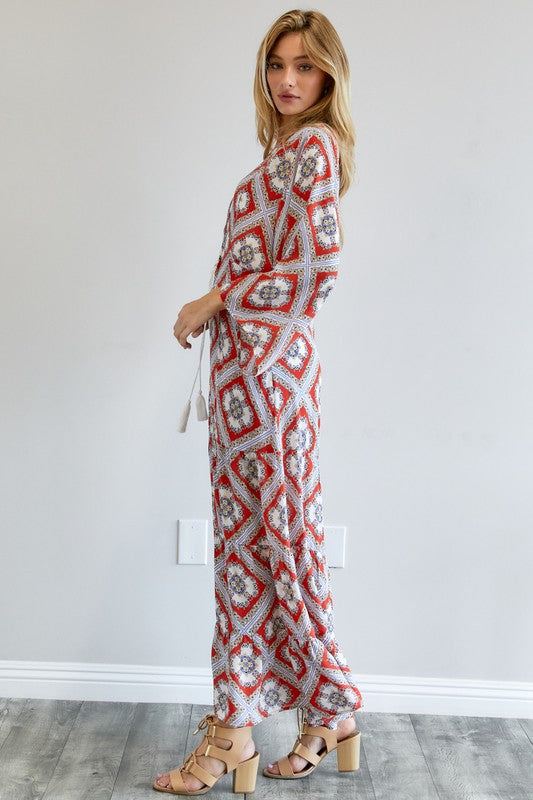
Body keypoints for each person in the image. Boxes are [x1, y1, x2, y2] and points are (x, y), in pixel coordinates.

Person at [154, 8, 362, 795]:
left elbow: (318, 272)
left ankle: (236, 727)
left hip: (271, 386)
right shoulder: (280, 153)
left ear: (328, 77)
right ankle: (323, 713)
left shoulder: (311, 148)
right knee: (263, 549)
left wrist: (212, 300)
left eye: (304, 67)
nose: (286, 80)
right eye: (277, 64)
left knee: (265, 550)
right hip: (248, 387)